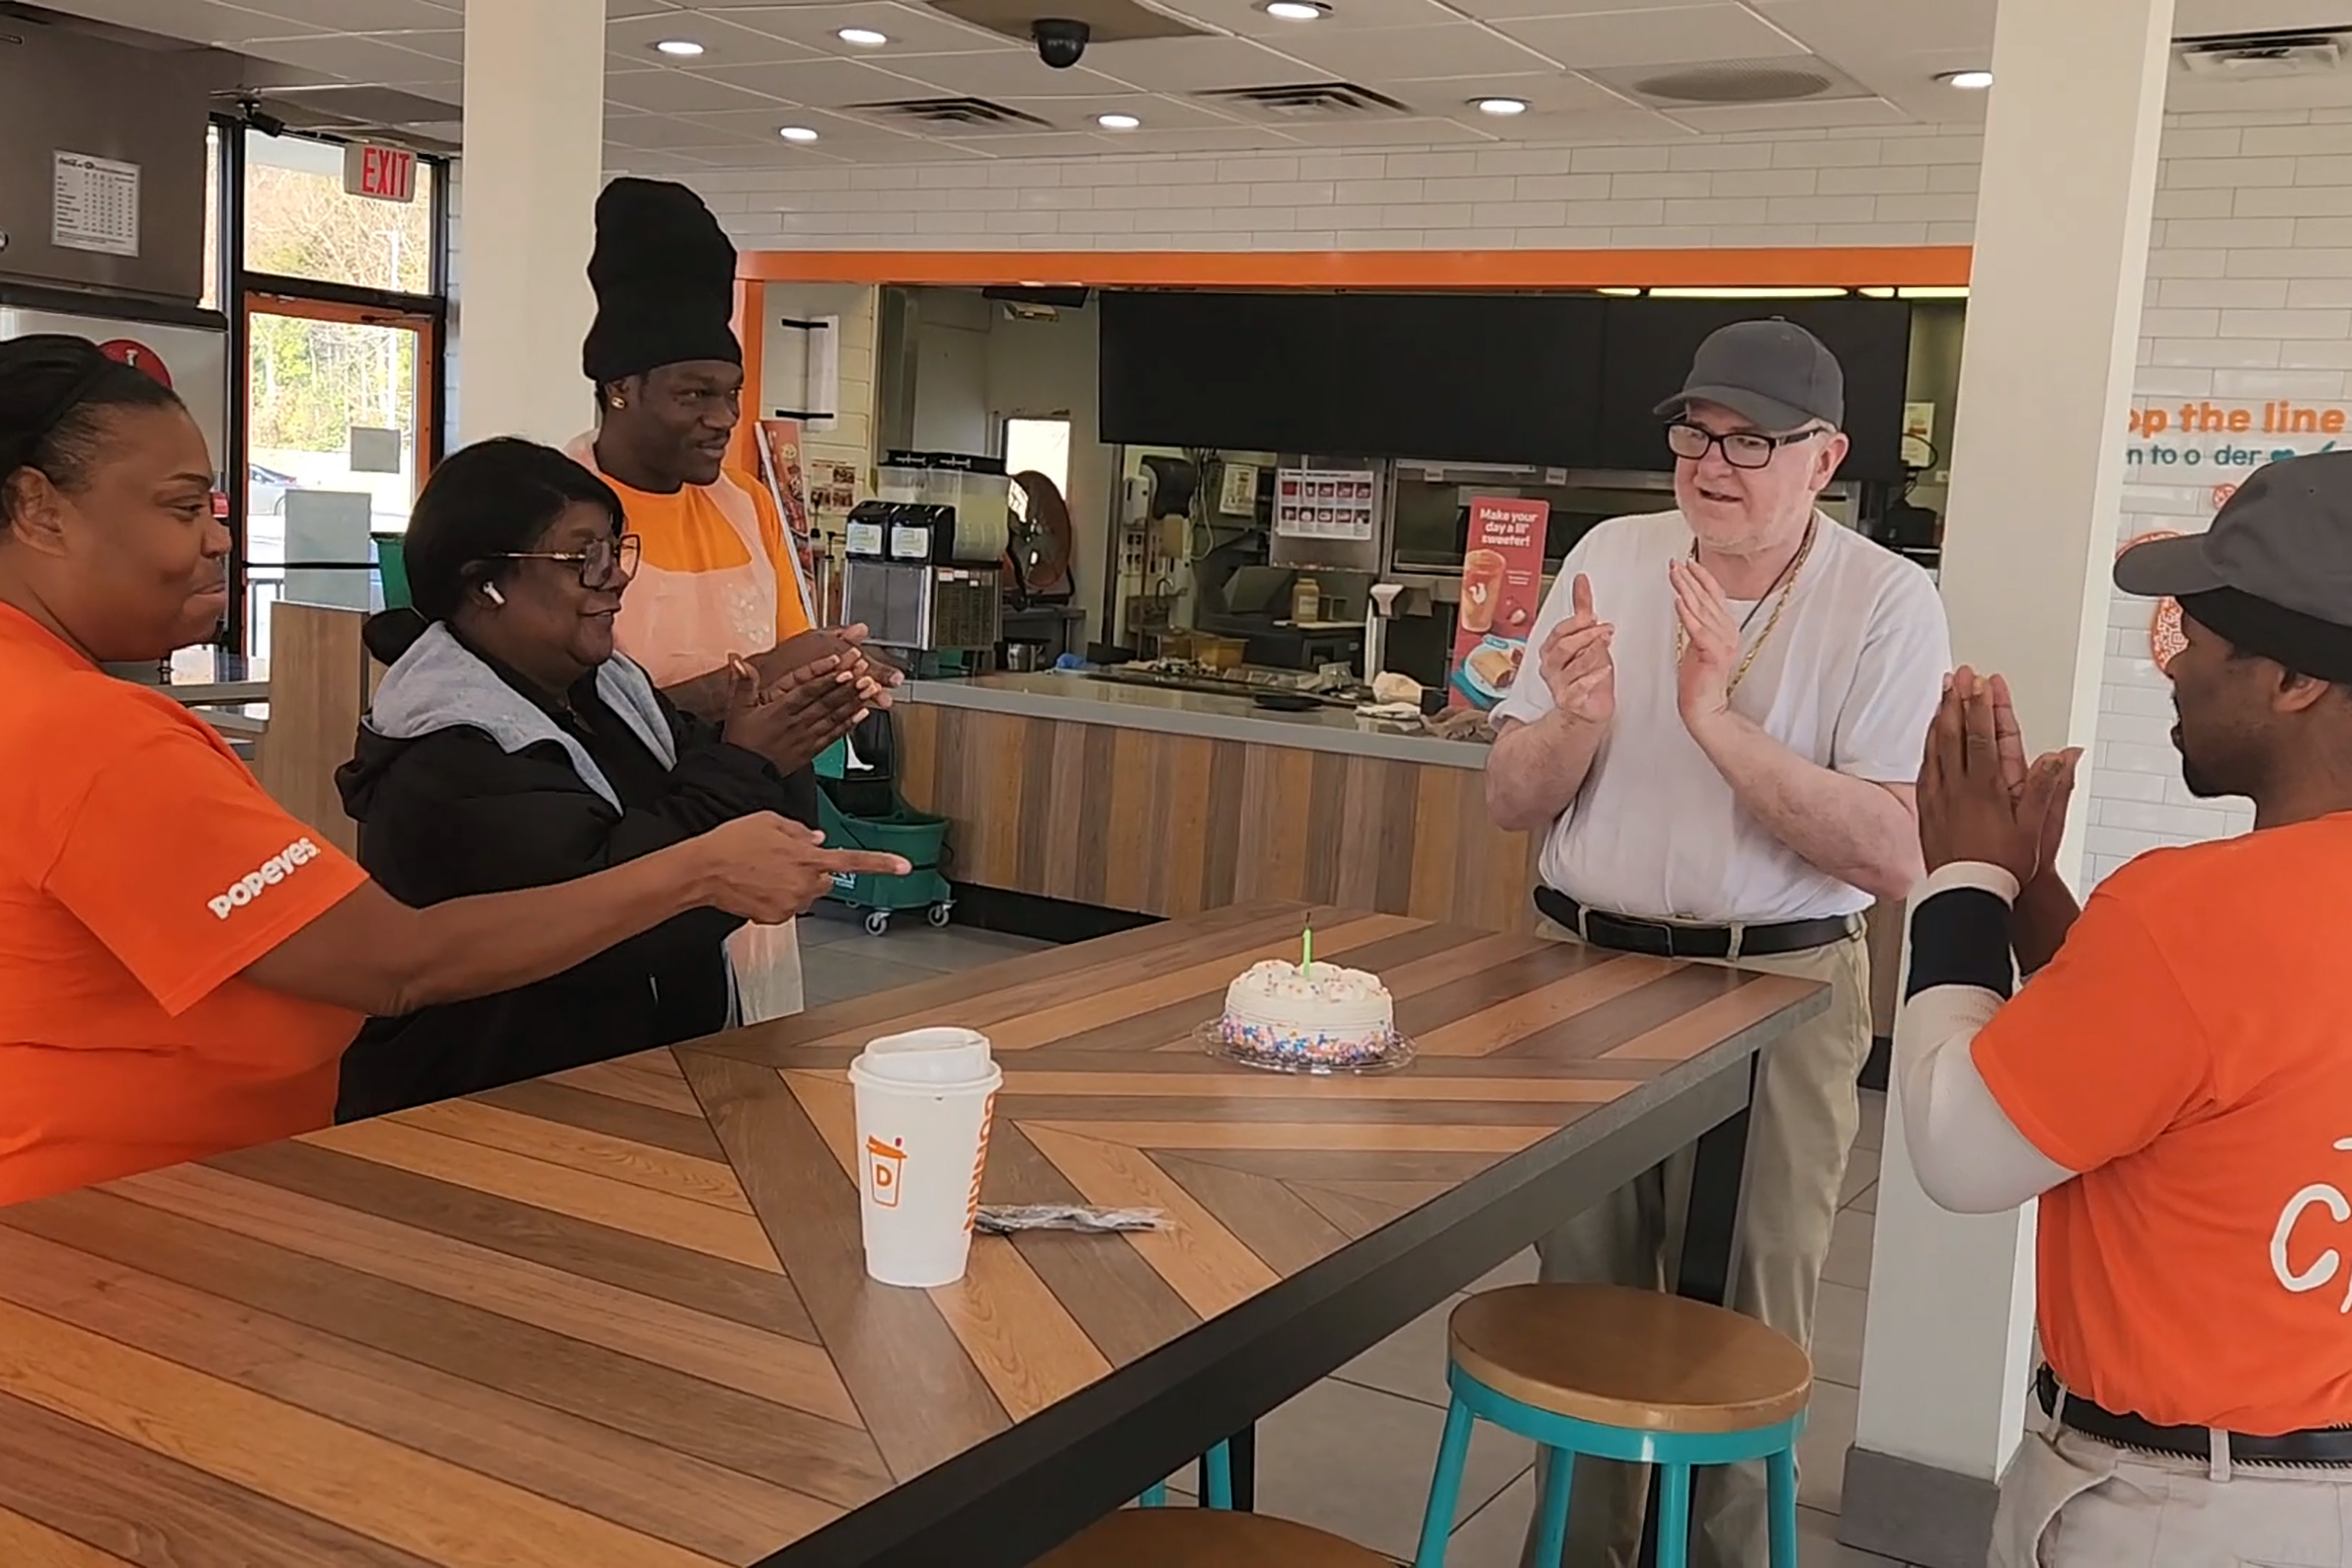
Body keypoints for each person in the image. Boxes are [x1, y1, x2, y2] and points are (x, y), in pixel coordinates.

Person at [0, 334, 906, 1205]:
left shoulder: (610, 689)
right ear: (39, 509)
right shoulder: (91, 735)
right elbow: (396, 963)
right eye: (182, 509)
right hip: (123, 1204)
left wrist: (761, 751)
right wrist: (699, 864)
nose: (218, 540)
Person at [1485, 319, 1951, 1568]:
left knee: (1749, 1314)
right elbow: (1511, 799)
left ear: (1826, 457)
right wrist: (1576, 721)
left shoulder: (1885, 599)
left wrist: (1713, 715)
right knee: (1582, 1303)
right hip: (1585, 969)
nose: (1714, 465)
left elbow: (1893, 853)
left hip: (1779, 980)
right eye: (1697, 435)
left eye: (1754, 442)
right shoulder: (1612, 555)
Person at [1901, 452, 2352, 1568]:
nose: (2176, 661)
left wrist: (1964, 881)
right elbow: (2187, 1072)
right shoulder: (2206, 933)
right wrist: (2033, 891)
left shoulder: (2194, 916)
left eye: (2196, 631)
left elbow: (1959, 1147)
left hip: (2178, 1511)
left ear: (2296, 677)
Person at [333, 438, 873, 1120]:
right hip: (487, 1104)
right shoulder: (450, 745)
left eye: (616, 552)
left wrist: (787, 735)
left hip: (637, 1077)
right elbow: (621, 912)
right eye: (582, 559)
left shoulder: (606, 686)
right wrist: (749, 760)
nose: (615, 578)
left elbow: (727, 827)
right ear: (483, 585)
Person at [567, 175, 896, 1023]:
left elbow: (785, 661)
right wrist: (744, 686)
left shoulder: (744, 504)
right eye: (694, 395)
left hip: (751, 847)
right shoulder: (559, 508)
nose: (722, 419)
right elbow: (562, 721)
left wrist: (829, 683)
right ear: (620, 387)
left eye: (731, 394)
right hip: (620, 860)